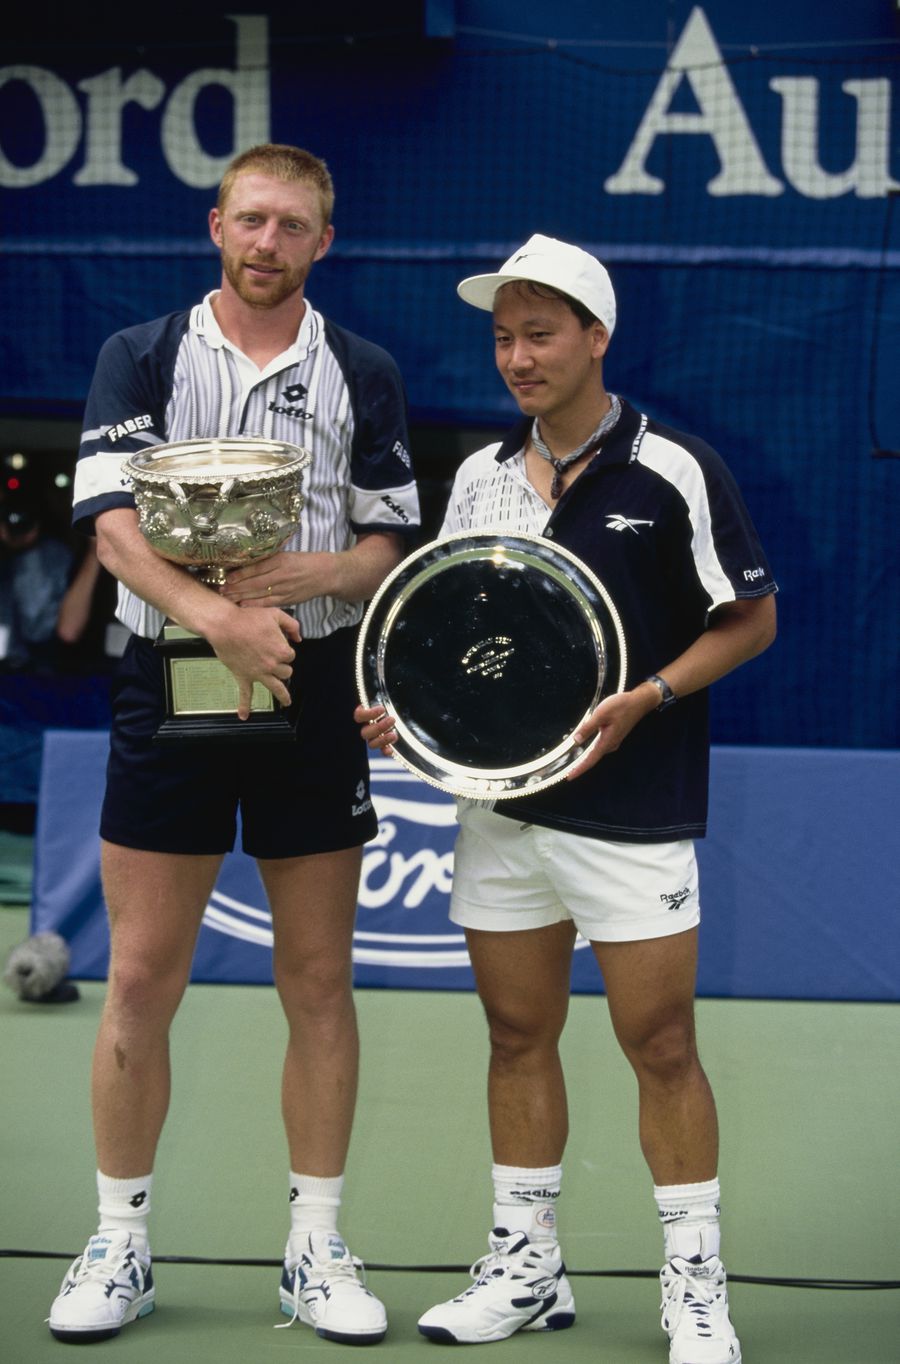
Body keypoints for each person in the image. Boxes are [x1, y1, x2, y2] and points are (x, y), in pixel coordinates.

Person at [357, 234, 776, 1363]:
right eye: (502, 336)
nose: (517, 356)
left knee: (662, 1042)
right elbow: (445, 639)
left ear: (598, 336)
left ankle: (696, 1288)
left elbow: (749, 618)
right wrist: (411, 713)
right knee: (515, 1032)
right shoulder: (482, 478)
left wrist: (648, 695)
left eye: (540, 334)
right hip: (502, 815)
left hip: (634, 810)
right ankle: (527, 1267)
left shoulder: (676, 469)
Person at [50, 143, 420, 1347]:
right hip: (169, 686)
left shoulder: (363, 370)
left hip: (309, 696)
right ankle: (120, 1240)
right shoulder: (140, 355)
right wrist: (222, 619)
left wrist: (309, 577)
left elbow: (382, 549)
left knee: (318, 982)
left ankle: (316, 1244)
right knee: (141, 981)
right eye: (251, 220)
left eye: (293, 226)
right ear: (216, 225)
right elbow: (111, 530)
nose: (268, 242)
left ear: (325, 241)